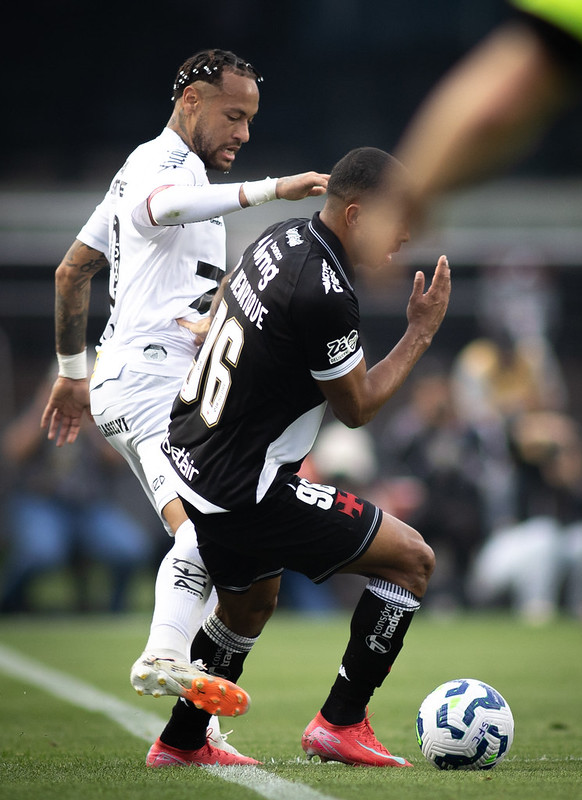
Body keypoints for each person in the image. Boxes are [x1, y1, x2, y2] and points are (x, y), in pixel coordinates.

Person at [367, 0, 582, 763]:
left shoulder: (521, 372)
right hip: (488, 539)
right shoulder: (483, 378)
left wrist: (405, 196)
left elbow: (510, 89)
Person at [40, 47, 328, 760]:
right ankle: (165, 654)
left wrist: (73, 372)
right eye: (234, 115)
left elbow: (73, 270)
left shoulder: (169, 171)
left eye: (252, 120)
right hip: (149, 384)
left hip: (136, 376)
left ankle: (193, 730)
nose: (244, 133)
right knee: (209, 531)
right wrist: (274, 190)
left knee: (218, 536)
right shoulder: (162, 167)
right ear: (192, 101)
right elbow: (161, 209)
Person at [146, 146, 450, 768]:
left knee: (250, 605)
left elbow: (235, 289)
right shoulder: (324, 290)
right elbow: (357, 407)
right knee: (412, 561)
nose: (404, 237)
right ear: (359, 214)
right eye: (396, 222)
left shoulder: (282, 235)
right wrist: (419, 332)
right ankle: (341, 722)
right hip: (246, 488)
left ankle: (180, 741)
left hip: (197, 460)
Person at [0, 369, 151, 614]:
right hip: (41, 503)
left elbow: (116, 459)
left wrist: (92, 421)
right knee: (41, 552)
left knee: (130, 548)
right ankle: (10, 605)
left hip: (90, 508)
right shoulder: (42, 410)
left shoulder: (98, 414)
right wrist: (43, 409)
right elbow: (12, 451)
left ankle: (114, 612)